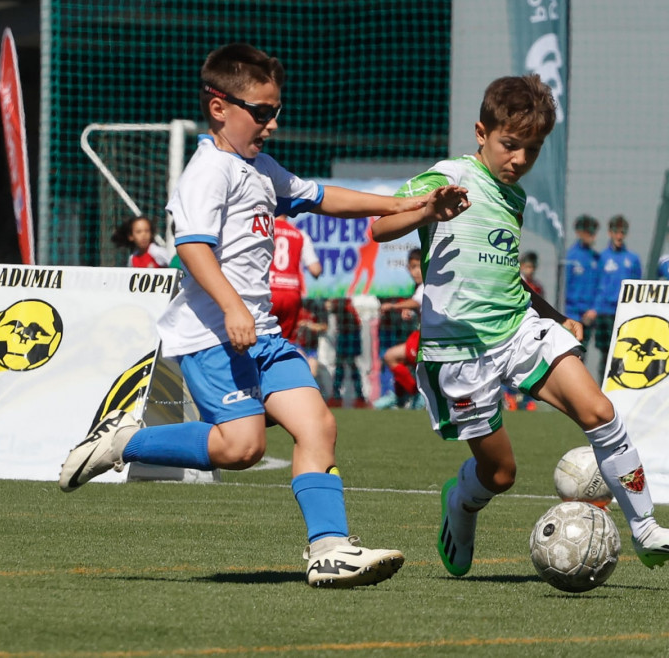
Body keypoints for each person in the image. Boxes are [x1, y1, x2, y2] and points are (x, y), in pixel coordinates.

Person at [57, 43, 464, 588]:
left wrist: (410, 207)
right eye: (262, 112)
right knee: (241, 449)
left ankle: (329, 551)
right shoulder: (208, 172)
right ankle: (121, 442)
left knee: (318, 425)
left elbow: (324, 197)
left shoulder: (261, 169)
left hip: (264, 337)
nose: (272, 123)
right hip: (211, 338)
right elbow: (194, 249)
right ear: (219, 106)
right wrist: (231, 308)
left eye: (277, 110)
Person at [370, 74, 669, 579]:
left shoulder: (515, 198)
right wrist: (427, 207)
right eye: (511, 145)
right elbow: (379, 227)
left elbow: (506, 278)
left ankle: (646, 530)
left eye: (532, 150)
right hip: (459, 352)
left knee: (598, 409)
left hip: (516, 329)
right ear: (481, 132)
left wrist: (554, 317)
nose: (520, 160)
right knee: (501, 474)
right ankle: (461, 504)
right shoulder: (446, 175)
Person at [583, 215, 642, 380]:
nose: (619, 236)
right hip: (604, 313)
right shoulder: (601, 258)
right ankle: (604, 389)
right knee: (606, 353)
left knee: (625, 352)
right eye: (616, 232)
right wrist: (593, 308)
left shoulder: (633, 259)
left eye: (622, 232)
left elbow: (637, 286)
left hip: (624, 312)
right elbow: (595, 285)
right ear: (610, 233)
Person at [373, 248, 425, 410]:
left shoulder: (427, 284)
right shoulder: (419, 287)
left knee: (390, 357)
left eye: (418, 266)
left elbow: (417, 302)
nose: (414, 272)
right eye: (411, 267)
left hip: (428, 338)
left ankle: (413, 394)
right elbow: (418, 304)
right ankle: (405, 396)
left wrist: (393, 306)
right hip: (422, 335)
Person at [270, 214, 322, 343]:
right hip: (291, 293)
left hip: (268, 290)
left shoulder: (265, 228)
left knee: (259, 340)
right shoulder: (299, 234)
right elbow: (315, 270)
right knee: (283, 343)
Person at [564, 214, 600, 350]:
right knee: (572, 353)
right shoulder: (570, 256)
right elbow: (564, 288)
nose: (592, 236)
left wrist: (593, 309)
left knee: (584, 353)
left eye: (594, 232)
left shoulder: (596, 258)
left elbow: (599, 287)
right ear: (579, 232)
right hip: (572, 315)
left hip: (589, 316)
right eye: (589, 232)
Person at [325, 297, 368, 409]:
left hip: (351, 334)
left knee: (348, 364)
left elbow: (336, 307)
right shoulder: (339, 298)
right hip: (345, 332)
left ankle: (357, 396)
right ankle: (338, 395)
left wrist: (328, 305)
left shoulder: (344, 300)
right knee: (343, 364)